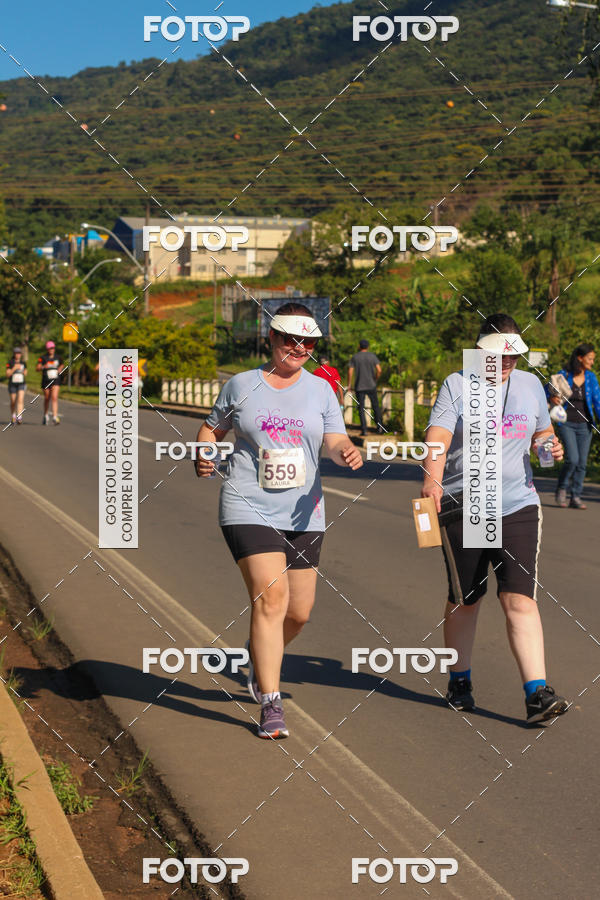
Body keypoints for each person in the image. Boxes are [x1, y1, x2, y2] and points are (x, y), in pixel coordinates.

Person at [194, 303, 362, 740]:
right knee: (272, 600)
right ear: (271, 338)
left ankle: (259, 653)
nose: (299, 348)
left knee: (298, 613)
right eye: (291, 339)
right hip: (247, 505)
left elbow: (334, 437)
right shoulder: (241, 385)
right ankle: (270, 703)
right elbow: (212, 428)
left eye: (308, 342)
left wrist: (345, 449)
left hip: (305, 512)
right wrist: (205, 452)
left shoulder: (322, 390)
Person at [422, 313, 569, 724]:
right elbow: (438, 437)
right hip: (465, 504)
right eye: (496, 355)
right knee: (466, 600)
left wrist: (549, 450)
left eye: (512, 356)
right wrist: (432, 481)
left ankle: (537, 693)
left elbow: (540, 438)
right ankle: (460, 680)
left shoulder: (529, 387)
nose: (505, 363)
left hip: (518, 504)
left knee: (518, 598)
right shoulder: (457, 384)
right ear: (478, 350)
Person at [548, 343, 600, 510]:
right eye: (590, 358)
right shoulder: (564, 375)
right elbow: (546, 391)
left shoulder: (591, 377)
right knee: (572, 459)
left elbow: (598, 402)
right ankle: (562, 488)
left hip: (585, 426)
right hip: (567, 422)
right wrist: (552, 398)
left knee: (582, 463)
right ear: (580, 358)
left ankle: (575, 496)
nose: (592, 362)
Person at [348, 339, 384, 435]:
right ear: (368, 347)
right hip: (371, 385)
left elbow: (350, 371)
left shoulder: (355, 357)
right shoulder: (372, 356)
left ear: (359, 346)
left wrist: (349, 385)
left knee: (361, 408)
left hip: (359, 386)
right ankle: (380, 428)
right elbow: (379, 370)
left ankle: (364, 430)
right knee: (375, 407)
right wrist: (375, 379)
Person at [36, 341, 64, 425]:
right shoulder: (43, 358)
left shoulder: (58, 357)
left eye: (53, 348)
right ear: (47, 349)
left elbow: (62, 364)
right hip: (46, 380)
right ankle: (45, 415)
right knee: (47, 398)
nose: (52, 350)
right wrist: (44, 366)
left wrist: (60, 369)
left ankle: (55, 417)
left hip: (56, 379)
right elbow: (37, 368)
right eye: (50, 348)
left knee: (54, 397)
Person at [6, 347, 27, 424]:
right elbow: (7, 374)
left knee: (20, 399)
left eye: (19, 353)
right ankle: (13, 416)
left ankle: (19, 417)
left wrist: (23, 371)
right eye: (16, 353)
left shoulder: (23, 363)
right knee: (13, 401)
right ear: (14, 354)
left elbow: (26, 373)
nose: (18, 355)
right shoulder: (10, 363)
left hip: (21, 383)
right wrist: (14, 368)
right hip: (12, 384)